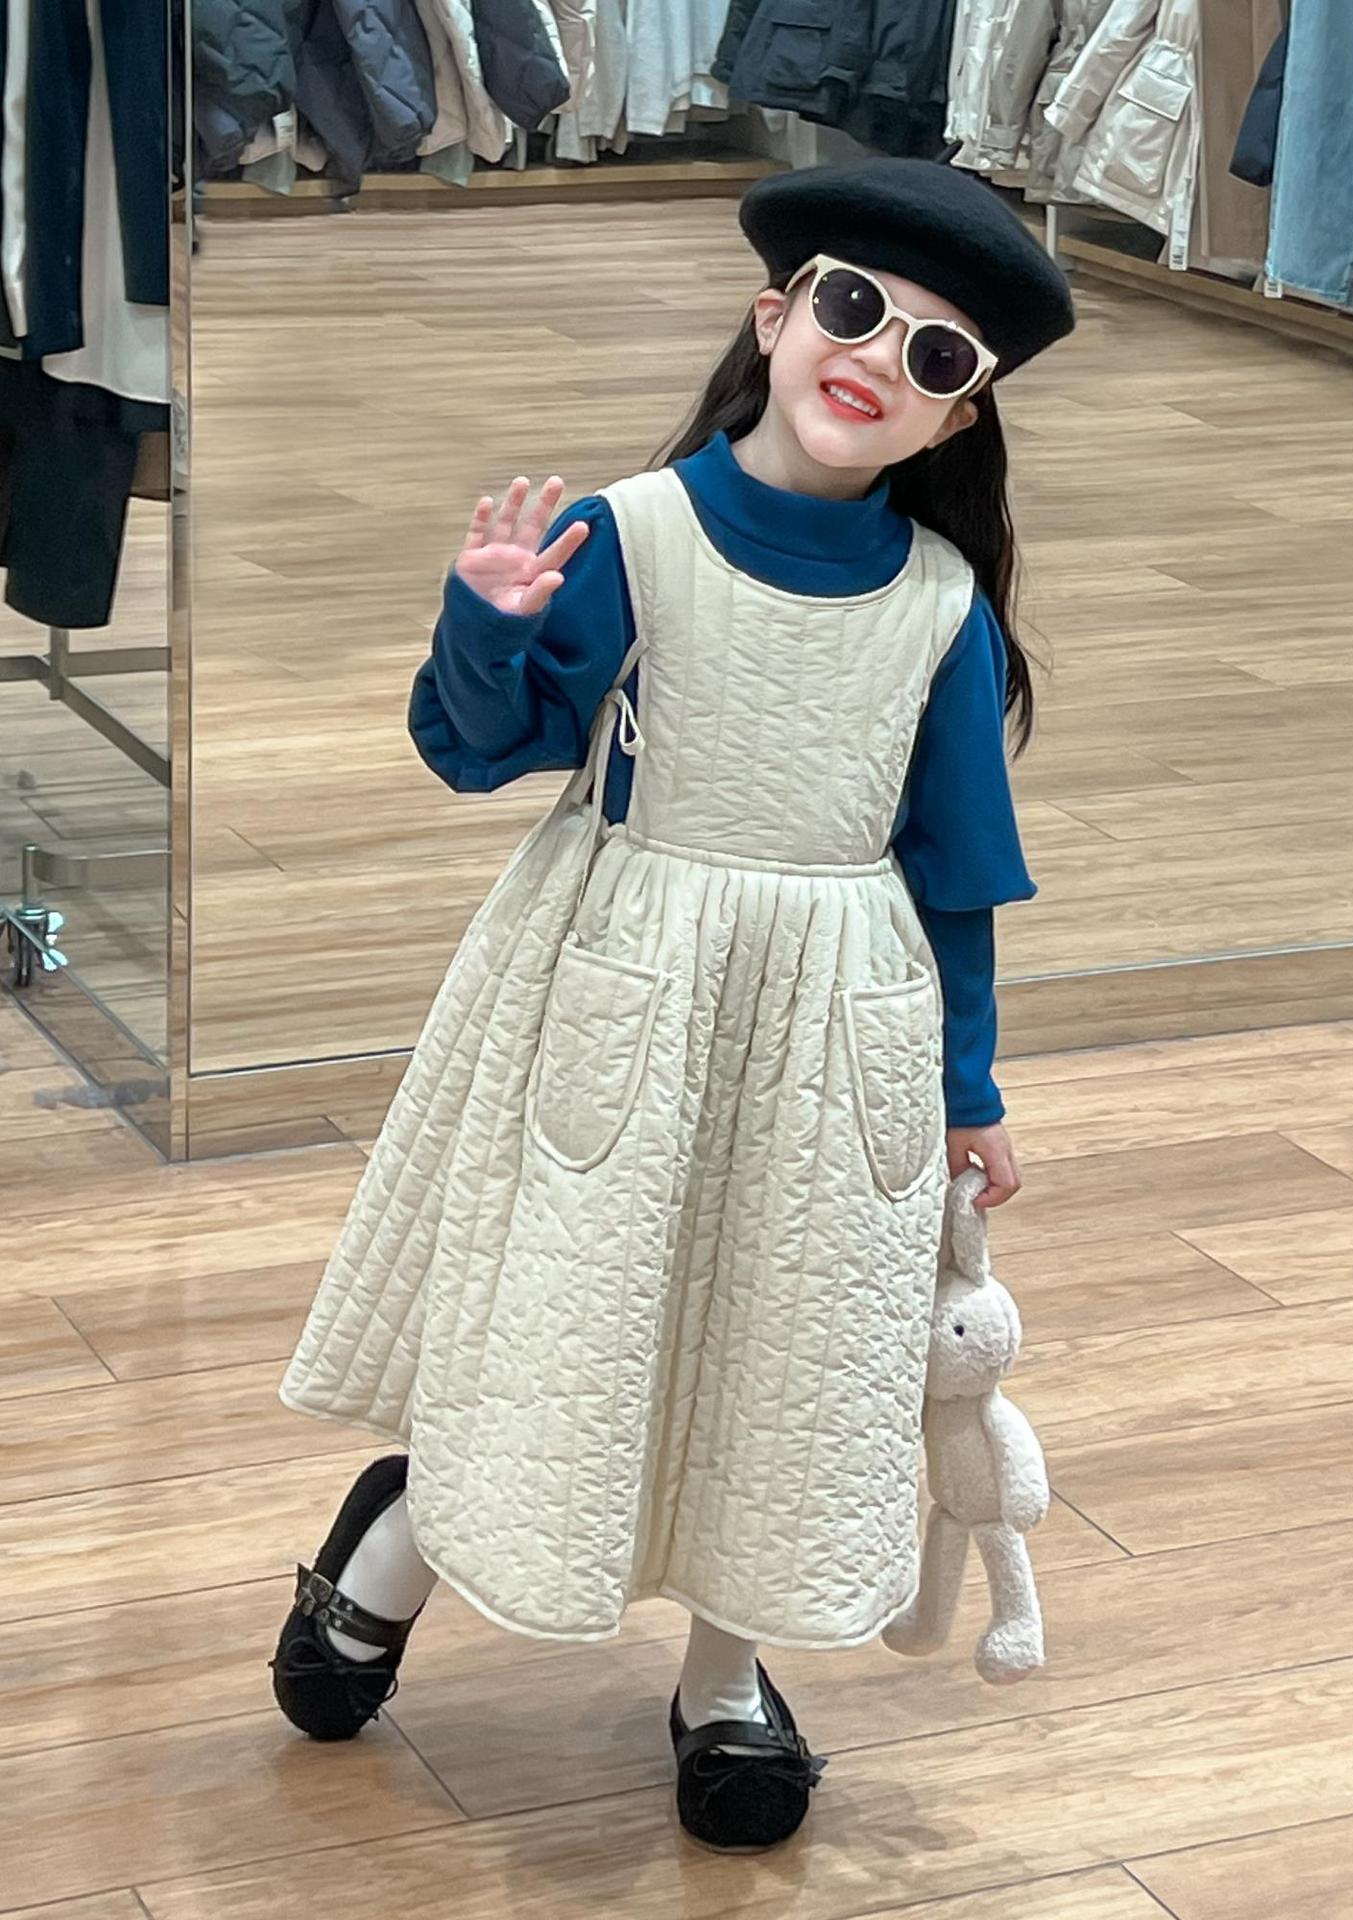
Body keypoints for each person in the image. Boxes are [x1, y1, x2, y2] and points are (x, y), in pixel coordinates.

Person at [268, 156, 1074, 1853]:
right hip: (618, 993)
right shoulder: (635, 534)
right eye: (855, 308)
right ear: (776, 318)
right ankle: (403, 1536)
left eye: (938, 356)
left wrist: (970, 1086)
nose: (881, 357)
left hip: (839, 1024)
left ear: (960, 416)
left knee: (790, 1345)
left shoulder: (939, 605)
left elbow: (954, 874)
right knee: (561, 1314)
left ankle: (727, 1676)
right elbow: (481, 748)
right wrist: (486, 626)